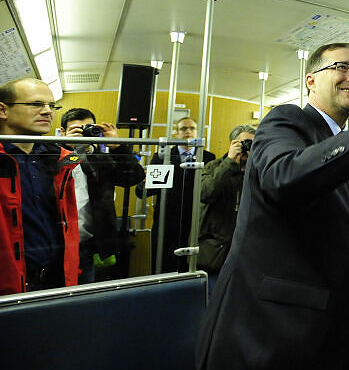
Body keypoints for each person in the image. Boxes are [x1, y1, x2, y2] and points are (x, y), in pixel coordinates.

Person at [196, 42, 349, 370]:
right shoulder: (286, 122)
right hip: (274, 335)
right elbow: (284, 178)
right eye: (342, 68)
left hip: (333, 336)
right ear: (311, 80)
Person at [0, 77, 80, 295]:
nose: (48, 112)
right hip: (9, 287)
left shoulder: (57, 160)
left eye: (51, 106)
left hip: (56, 281)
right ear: (3, 110)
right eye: (36, 104)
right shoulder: (3, 159)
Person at [58, 108, 146, 283]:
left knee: (86, 299)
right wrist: (71, 149)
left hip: (88, 246)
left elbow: (133, 176)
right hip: (57, 245)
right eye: (77, 129)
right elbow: (52, 174)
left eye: (87, 128)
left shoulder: (99, 158)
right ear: (62, 132)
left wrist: (117, 146)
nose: (83, 133)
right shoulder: (51, 154)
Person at [140, 116, 215, 273]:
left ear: (197, 132)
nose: (188, 131)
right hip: (167, 222)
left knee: (192, 268)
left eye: (192, 128)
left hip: (195, 222)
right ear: (176, 133)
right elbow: (144, 192)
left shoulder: (208, 158)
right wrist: (146, 181)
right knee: (164, 267)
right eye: (183, 128)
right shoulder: (163, 157)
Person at [197, 124, 255, 294]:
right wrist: (230, 163)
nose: (249, 148)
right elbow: (206, 193)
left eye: (254, 143)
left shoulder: (257, 169)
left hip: (247, 252)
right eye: (246, 143)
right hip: (217, 252)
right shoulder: (213, 166)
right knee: (213, 303)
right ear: (233, 143)